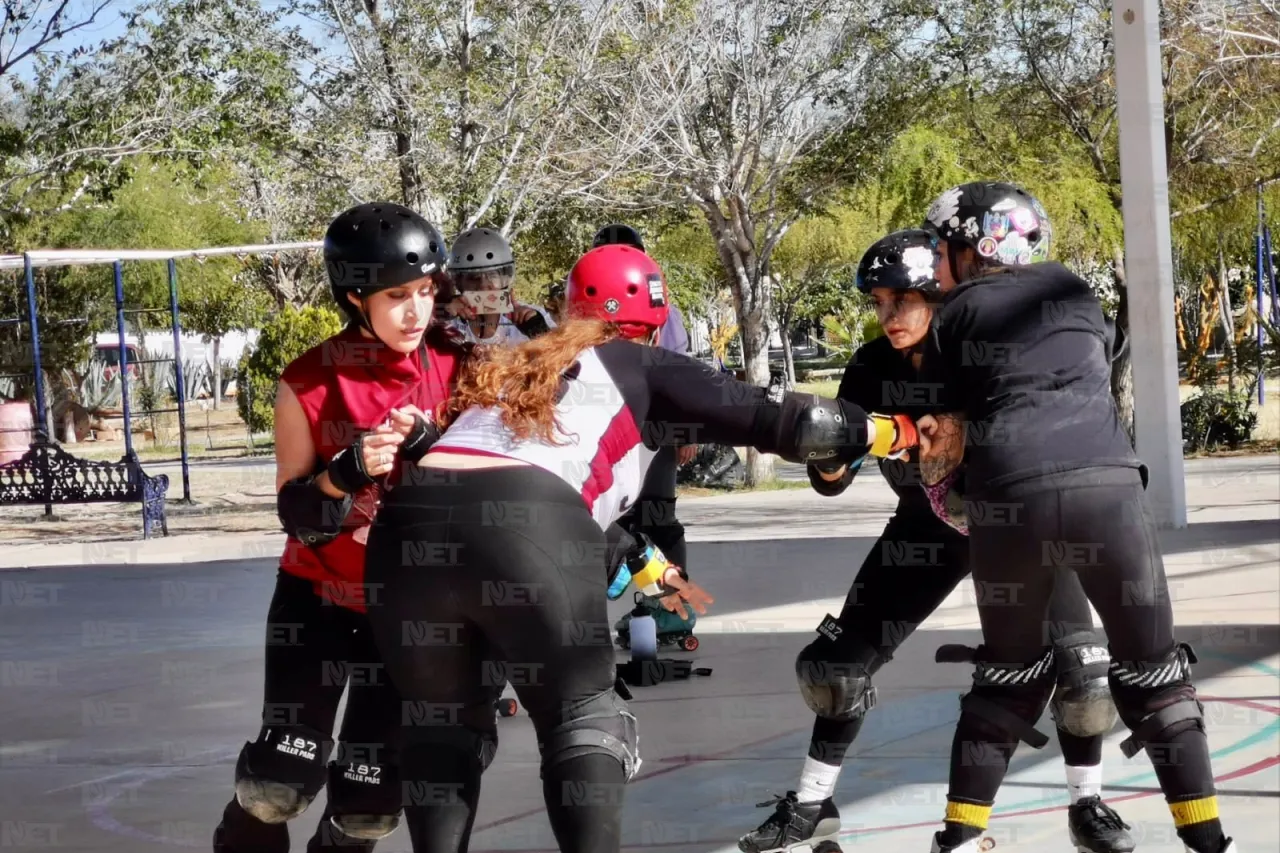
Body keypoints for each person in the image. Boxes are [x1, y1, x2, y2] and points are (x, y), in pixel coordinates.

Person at [361, 244, 919, 853]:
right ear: (653, 316)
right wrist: (898, 432)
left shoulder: (519, 366)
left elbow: (506, 488)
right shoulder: (642, 364)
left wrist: (648, 566)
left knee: (443, 730)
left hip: (406, 528)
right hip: (527, 523)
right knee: (585, 722)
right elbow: (791, 423)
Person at [736, 230, 1135, 853]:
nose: (889, 316)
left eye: (904, 300)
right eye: (879, 302)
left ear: (939, 295)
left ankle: (1088, 804)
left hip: (1018, 532)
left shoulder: (987, 352)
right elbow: (832, 481)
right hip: (925, 529)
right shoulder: (872, 366)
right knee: (834, 670)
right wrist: (825, 448)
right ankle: (813, 804)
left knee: (1083, 684)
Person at [914, 182, 1238, 853]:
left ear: (972, 245)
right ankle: (1208, 842)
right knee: (1157, 678)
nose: (937, 264)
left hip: (1010, 497)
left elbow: (942, 432)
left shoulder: (954, 315)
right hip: (1107, 492)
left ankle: (957, 839)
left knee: (1006, 679)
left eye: (942, 247)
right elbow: (1102, 362)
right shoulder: (1075, 292)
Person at [212, 202, 464, 853]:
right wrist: (343, 472)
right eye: (396, 296)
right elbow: (296, 517)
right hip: (317, 601)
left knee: (368, 807)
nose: (416, 311)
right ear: (356, 296)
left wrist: (435, 448)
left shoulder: (456, 368)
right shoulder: (307, 383)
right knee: (277, 783)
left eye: (424, 292)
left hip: (403, 614)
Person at [592, 223, 697, 641]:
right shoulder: (588, 305)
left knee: (658, 516)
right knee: (600, 521)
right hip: (604, 427)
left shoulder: (663, 308)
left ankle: (674, 605)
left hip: (655, 426)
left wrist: (686, 430)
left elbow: (682, 371)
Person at [443, 226, 555, 344]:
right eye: (473, 278)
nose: (484, 286)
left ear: (505, 279)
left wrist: (542, 334)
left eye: (492, 276)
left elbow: (567, 358)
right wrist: (439, 317)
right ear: (459, 283)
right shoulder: (449, 322)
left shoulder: (531, 316)